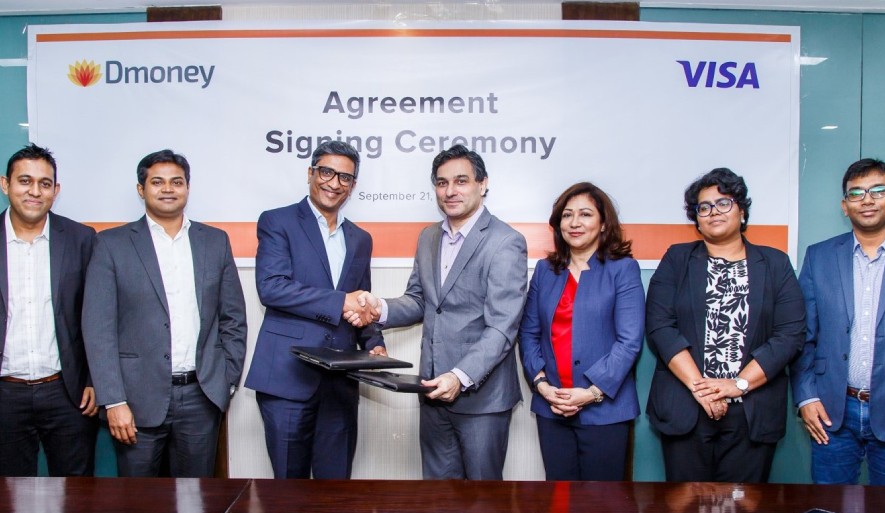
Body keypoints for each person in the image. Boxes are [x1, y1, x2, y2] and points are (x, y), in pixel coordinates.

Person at [348, 145, 528, 480]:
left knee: (483, 502)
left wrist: (459, 376)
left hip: (482, 399)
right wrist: (379, 308)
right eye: (442, 183)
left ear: (482, 184)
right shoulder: (429, 237)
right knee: (437, 499)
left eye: (461, 181)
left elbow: (502, 327)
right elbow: (420, 300)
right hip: (431, 389)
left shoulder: (505, 242)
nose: (450, 191)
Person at [83, 149, 247, 477]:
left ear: (188, 187)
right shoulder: (112, 244)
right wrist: (113, 401)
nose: (168, 189)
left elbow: (233, 318)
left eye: (177, 182)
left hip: (201, 396)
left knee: (195, 498)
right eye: (157, 182)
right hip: (135, 401)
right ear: (141, 189)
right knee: (140, 502)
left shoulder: (214, 241)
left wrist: (225, 381)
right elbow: (98, 329)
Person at [645, 167, 805, 483]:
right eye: (704, 207)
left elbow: (790, 335)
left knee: (743, 507)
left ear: (741, 211)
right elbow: (660, 326)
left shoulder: (775, 263)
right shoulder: (677, 259)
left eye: (723, 203)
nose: (713, 212)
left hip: (752, 411)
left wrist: (738, 384)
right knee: (685, 506)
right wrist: (702, 389)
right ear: (696, 219)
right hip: (686, 407)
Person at [245, 140, 385, 480]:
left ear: (353, 185)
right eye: (326, 172)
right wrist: (340, 302)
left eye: (344, 177)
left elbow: (360, 299)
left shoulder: (360, 239)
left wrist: (374, 343)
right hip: (287, 378)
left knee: (335, 490)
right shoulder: (277, 221)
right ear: (310, 173)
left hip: (340, 383)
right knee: (288, 490)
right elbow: (272, 287)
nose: (334, 183)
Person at [518, 182, 645, 481]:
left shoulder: (623, 269)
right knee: (559, 497)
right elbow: (529, 334)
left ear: (603, 224)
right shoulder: (545, 271)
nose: (574, 222)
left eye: (585, 214)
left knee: (601, 503)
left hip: (605, 410)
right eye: (567, 215)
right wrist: (543, 386)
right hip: (552, 408)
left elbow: (629, 342)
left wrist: (591, 392)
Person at [791, 158, 885, 485]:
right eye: (856, 193)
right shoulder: (819, 256)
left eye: (878, 191)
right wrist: (806, 397)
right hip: (831, 412)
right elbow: (803, 336)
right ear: (844, 205)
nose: (867, 200)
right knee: (830, 508)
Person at [0, 144, 98, 476]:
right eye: (24, 181)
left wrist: (94, 380)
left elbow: (96, 315)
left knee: (76, 494)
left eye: (44, 183)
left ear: (55, 191)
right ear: (5, 184)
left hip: (68, 393)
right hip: (5, 393)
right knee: (10, 497)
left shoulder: (81, 239)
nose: (34, 191)